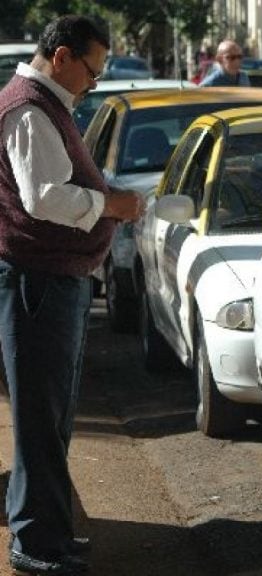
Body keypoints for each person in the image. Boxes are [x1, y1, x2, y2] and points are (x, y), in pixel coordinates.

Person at [0, 14, 144, 575]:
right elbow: (43, 198)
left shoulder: (40, 104)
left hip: (52, 278)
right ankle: (36, 543)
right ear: (62, 56)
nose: (93, 82)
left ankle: (48, 533)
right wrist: (111, 205)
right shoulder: (30, 108)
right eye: (92, 69)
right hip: (38, 281)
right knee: (41, 417)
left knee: (52, 417)